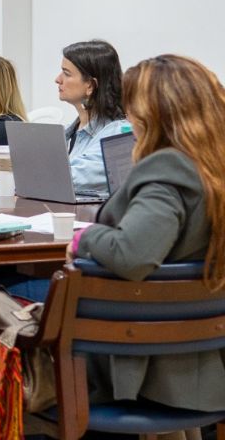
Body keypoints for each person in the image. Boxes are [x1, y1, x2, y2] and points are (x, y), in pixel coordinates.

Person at [65, 54, 225, 411]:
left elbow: (131, 255)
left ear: (152, 114)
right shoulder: (213, 167)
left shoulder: (168, 169)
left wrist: (82, 238)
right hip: (200, 355)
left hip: (138, 362)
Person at [0, 40, 127, 195]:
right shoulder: (69, 132)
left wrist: (11, 174)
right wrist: (0, 165)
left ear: (90, 85)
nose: (58, 79)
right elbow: (34, 160)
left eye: (66, 73)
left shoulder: (118, 134)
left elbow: (72, 177)